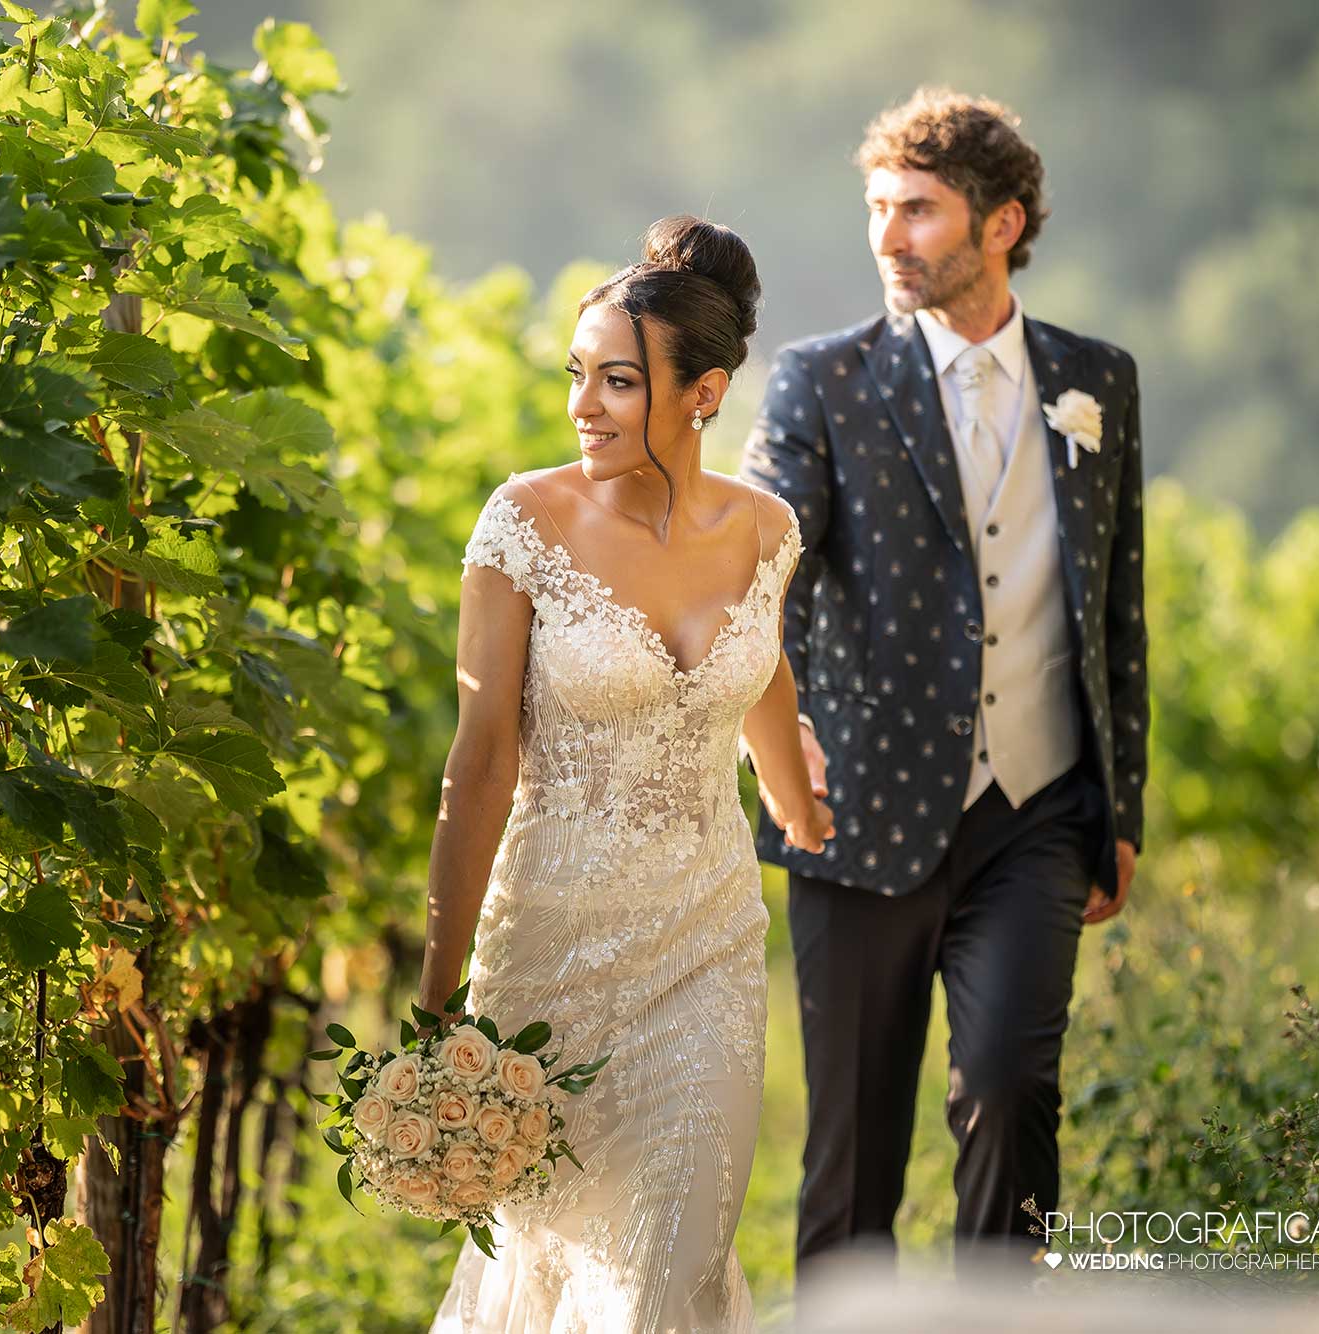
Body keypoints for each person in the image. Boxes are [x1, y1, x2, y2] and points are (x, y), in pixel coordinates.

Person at [740, 88, 1149, 1276]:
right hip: (854, 808)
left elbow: (1115, 605)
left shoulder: (1097, 383)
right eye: (876, 208)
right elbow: (764, 571)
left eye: (916, 209)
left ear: (1001, 222)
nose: (886, 234)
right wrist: (780, 732)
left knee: (1013, 1095)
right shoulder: (822, 381)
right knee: (852, 1147)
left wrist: (1119, 809)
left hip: (1036, 811)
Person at [420, 215, 833, 1332]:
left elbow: (760, 667)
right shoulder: (523, 521)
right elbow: (481, 757)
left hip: (704, 949)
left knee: (663, 1263)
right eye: (576, 376)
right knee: (550, 1270)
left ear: (701, 393)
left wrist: (794, 793)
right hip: (546, 966)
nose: (582, 406)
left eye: (614, 380)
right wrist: (434, 995)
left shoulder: (766, 529)